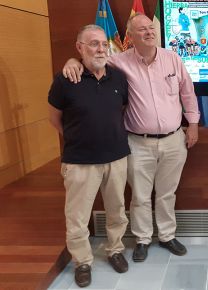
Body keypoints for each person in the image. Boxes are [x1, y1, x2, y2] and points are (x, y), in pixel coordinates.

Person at [63, 13, 200, 262]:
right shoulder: (118, 63)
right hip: (137, 142)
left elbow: (188, 93)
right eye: (142, 29)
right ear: (131, 37)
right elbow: (92, 62)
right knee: (139, 195)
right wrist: (73, 60)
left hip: (174, 140)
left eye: (151, 28)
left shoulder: (173, 58)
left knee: (167, 193)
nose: (149, 32)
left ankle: (167, 235)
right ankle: (142, 239)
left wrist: (193, 124)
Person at [48, 25, 130, 287]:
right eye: (93, 44)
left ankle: (115, 250)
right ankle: (82, 262)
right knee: (77, 217)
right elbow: (55, 119)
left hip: (116, 157)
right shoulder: (65, 79)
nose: (101, 49)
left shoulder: (118, 78)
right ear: (79, 48)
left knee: (117, 211)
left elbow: (123, 110)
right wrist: (81, 138)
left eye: (104, 44)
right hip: (80, 162)